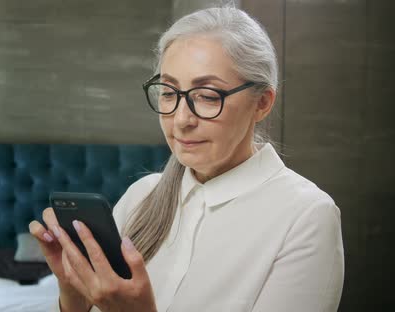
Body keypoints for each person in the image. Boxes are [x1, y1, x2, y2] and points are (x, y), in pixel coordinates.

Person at [29, 6, 344, 312]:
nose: (181, 119)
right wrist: (73, 293)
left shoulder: (306, 216)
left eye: (207, 96)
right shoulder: (142, 196)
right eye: (168, 92)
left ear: (261, 103)